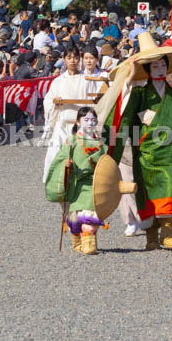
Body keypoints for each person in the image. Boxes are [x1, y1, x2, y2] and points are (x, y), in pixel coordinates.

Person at [107, 42, 172, 251]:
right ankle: (151, 235)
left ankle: (168, 232)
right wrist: (129, 77)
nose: (160, 69)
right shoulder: (139, 94)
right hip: (147, 154)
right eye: (154, 66)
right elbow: (121, 108)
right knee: (148, 196)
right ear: (148, 70)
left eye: (162, 65)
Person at [44, 107, 106, 255]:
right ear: (78, 122)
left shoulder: (100, 142)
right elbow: (60, 159)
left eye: (93, 120)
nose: (90, 123)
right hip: (77, 185)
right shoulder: (72, 140)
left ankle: (88, 243)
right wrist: (65, 166)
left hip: (94, 185)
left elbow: (106, 164)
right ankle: (80, 242)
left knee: (91, 217)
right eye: (86, 120)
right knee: (77, 217)